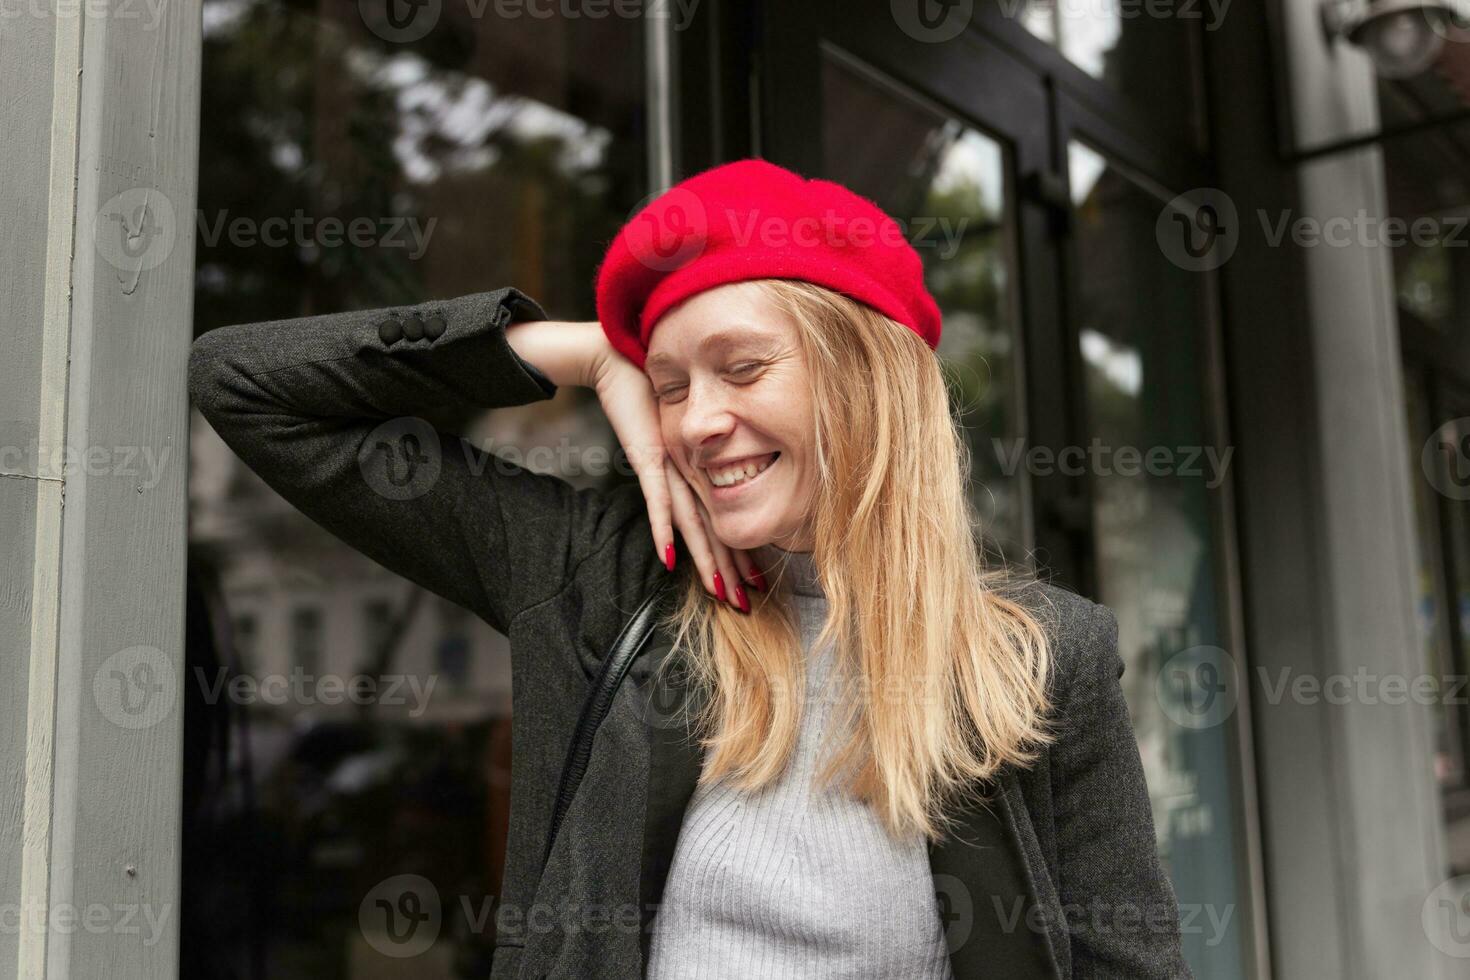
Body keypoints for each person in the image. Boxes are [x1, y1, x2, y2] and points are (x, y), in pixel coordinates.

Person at [188, 158, 1190, 979]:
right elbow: (244, 384)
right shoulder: (602, 582)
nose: (698, 421)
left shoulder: (1040, 659)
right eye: (671, 386)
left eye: (743, 367)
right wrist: (584, 354)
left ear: (864, 378)